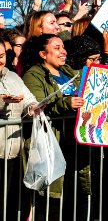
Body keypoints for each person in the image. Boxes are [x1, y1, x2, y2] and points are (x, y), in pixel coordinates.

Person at [21, 34, 87, 219]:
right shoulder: (33, 74)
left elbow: (88, 90)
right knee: (51, 202)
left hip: (75, 143)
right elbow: (37, 106)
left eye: (63, 47)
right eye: (57, 47)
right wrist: (66, 103)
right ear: (43, 54)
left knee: (73, 199)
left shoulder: (68, 71)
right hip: (52, 145)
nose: (63, 51)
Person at [0, 38, 38, 220]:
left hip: (14, 151)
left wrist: (34, 107)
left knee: (12, 203)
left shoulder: (12, 76)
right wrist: (2, 101)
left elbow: (28, 98)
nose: (0, 61)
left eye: (1, 56)